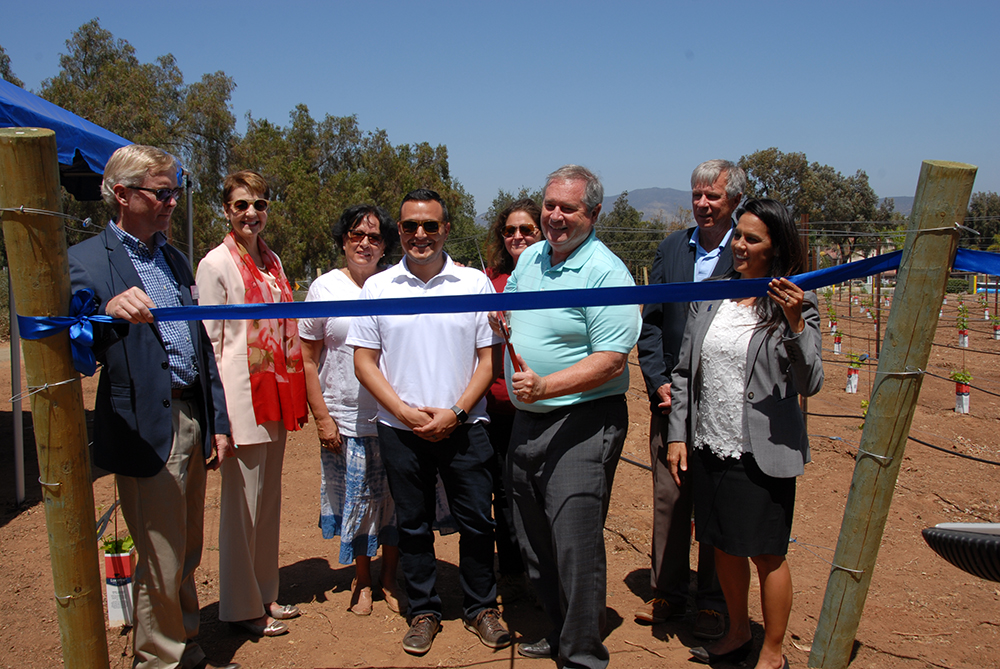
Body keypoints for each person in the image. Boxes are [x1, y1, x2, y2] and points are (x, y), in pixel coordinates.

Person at [68, 145, 238, 669]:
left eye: (175, 192)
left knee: (186, 546)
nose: (171, 202)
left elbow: (200, 346)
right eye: (162, 192)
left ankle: (182, 644)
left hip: (190, 415)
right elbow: (69, 344)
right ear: (122, 194)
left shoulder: (172, 256)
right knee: (161, 552)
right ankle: (159, 660)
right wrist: (102, 313)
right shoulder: (86, 262)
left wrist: (217, 420)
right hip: (145, 423)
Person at [347, 189, 510, 655]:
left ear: (446, 230)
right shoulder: (377, 287)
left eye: (430, 226)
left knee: (478, 522)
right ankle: (423, 611)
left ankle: (482, 607)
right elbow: (364, 362)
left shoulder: (474, 284)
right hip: (401, 430)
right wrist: (402, 411)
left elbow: (487, 362)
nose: (420, 235)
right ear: (398, 231)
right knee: (412, 524)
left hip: (466, 426)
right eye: (410, 226)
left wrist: (455, 413)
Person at [666, 198, 824, 669]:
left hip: (762, 450)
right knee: (722, 547)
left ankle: (772, 651)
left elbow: (809, 381)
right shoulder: (712, 292)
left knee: (766, 554)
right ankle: (737, 632)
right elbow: (683, 372)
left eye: (751, 238)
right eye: (738, 235)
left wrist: (795, 323)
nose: (738, 245)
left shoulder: (798, 299)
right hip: (711, 444)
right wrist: (678, 435)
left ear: (775, 247)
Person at [497, 165, 640, 669]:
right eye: (550, 205)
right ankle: (558, 630)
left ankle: (582, 655)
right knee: (533, 537)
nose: (555, 216)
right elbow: (512, 306)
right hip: (528, 421)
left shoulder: (607, 273)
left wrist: (545, 385)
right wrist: (501, 316)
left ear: (593, 214)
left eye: (569, 208)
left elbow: (612, 359)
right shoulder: (532, 257)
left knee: (574, 543)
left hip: (582, 421)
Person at [635, 159, 745, 639]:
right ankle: (668, 592)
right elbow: (652, 322)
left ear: (734, 201)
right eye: (697, 194)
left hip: (726, 400)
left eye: (713, 196)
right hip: (670, 399)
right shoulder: (671, 249)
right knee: (671, 498)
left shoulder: (748, 251)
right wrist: (657, 378)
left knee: (718, 500)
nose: (702, 204)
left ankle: (714, 602)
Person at [196, 170, 308, 637]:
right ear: (227, 209)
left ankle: (265, 592)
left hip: (275, 397)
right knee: (242, 508)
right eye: (242, 204)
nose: (251, 213)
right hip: (241, 399)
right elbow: (212, 345)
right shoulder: (215, 265)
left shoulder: (273, 260)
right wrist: (218, 418)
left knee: (267, 503)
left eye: (259, 204)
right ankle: (241, 608)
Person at [299, 204, 405, 617]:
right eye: (356, 235)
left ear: (385, 244)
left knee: (395, 500)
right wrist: (322, 417)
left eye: (374, 236)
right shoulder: (323, 289)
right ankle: (362, 580)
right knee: (358, 501)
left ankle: (390, 578)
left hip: (394, 416)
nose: (364, 243)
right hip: (345, 417)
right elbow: (308, 358)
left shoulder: (397, 284)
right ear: (343, 240)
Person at [482, 198, 543, 602]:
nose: (517, 236)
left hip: (542, 402)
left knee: (537, 491)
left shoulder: (548, 276)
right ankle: (512, 571)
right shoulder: (487, 281)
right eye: (510, 231)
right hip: (498, 406)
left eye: (526, 229)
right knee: (503, 491)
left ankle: (543, 569)